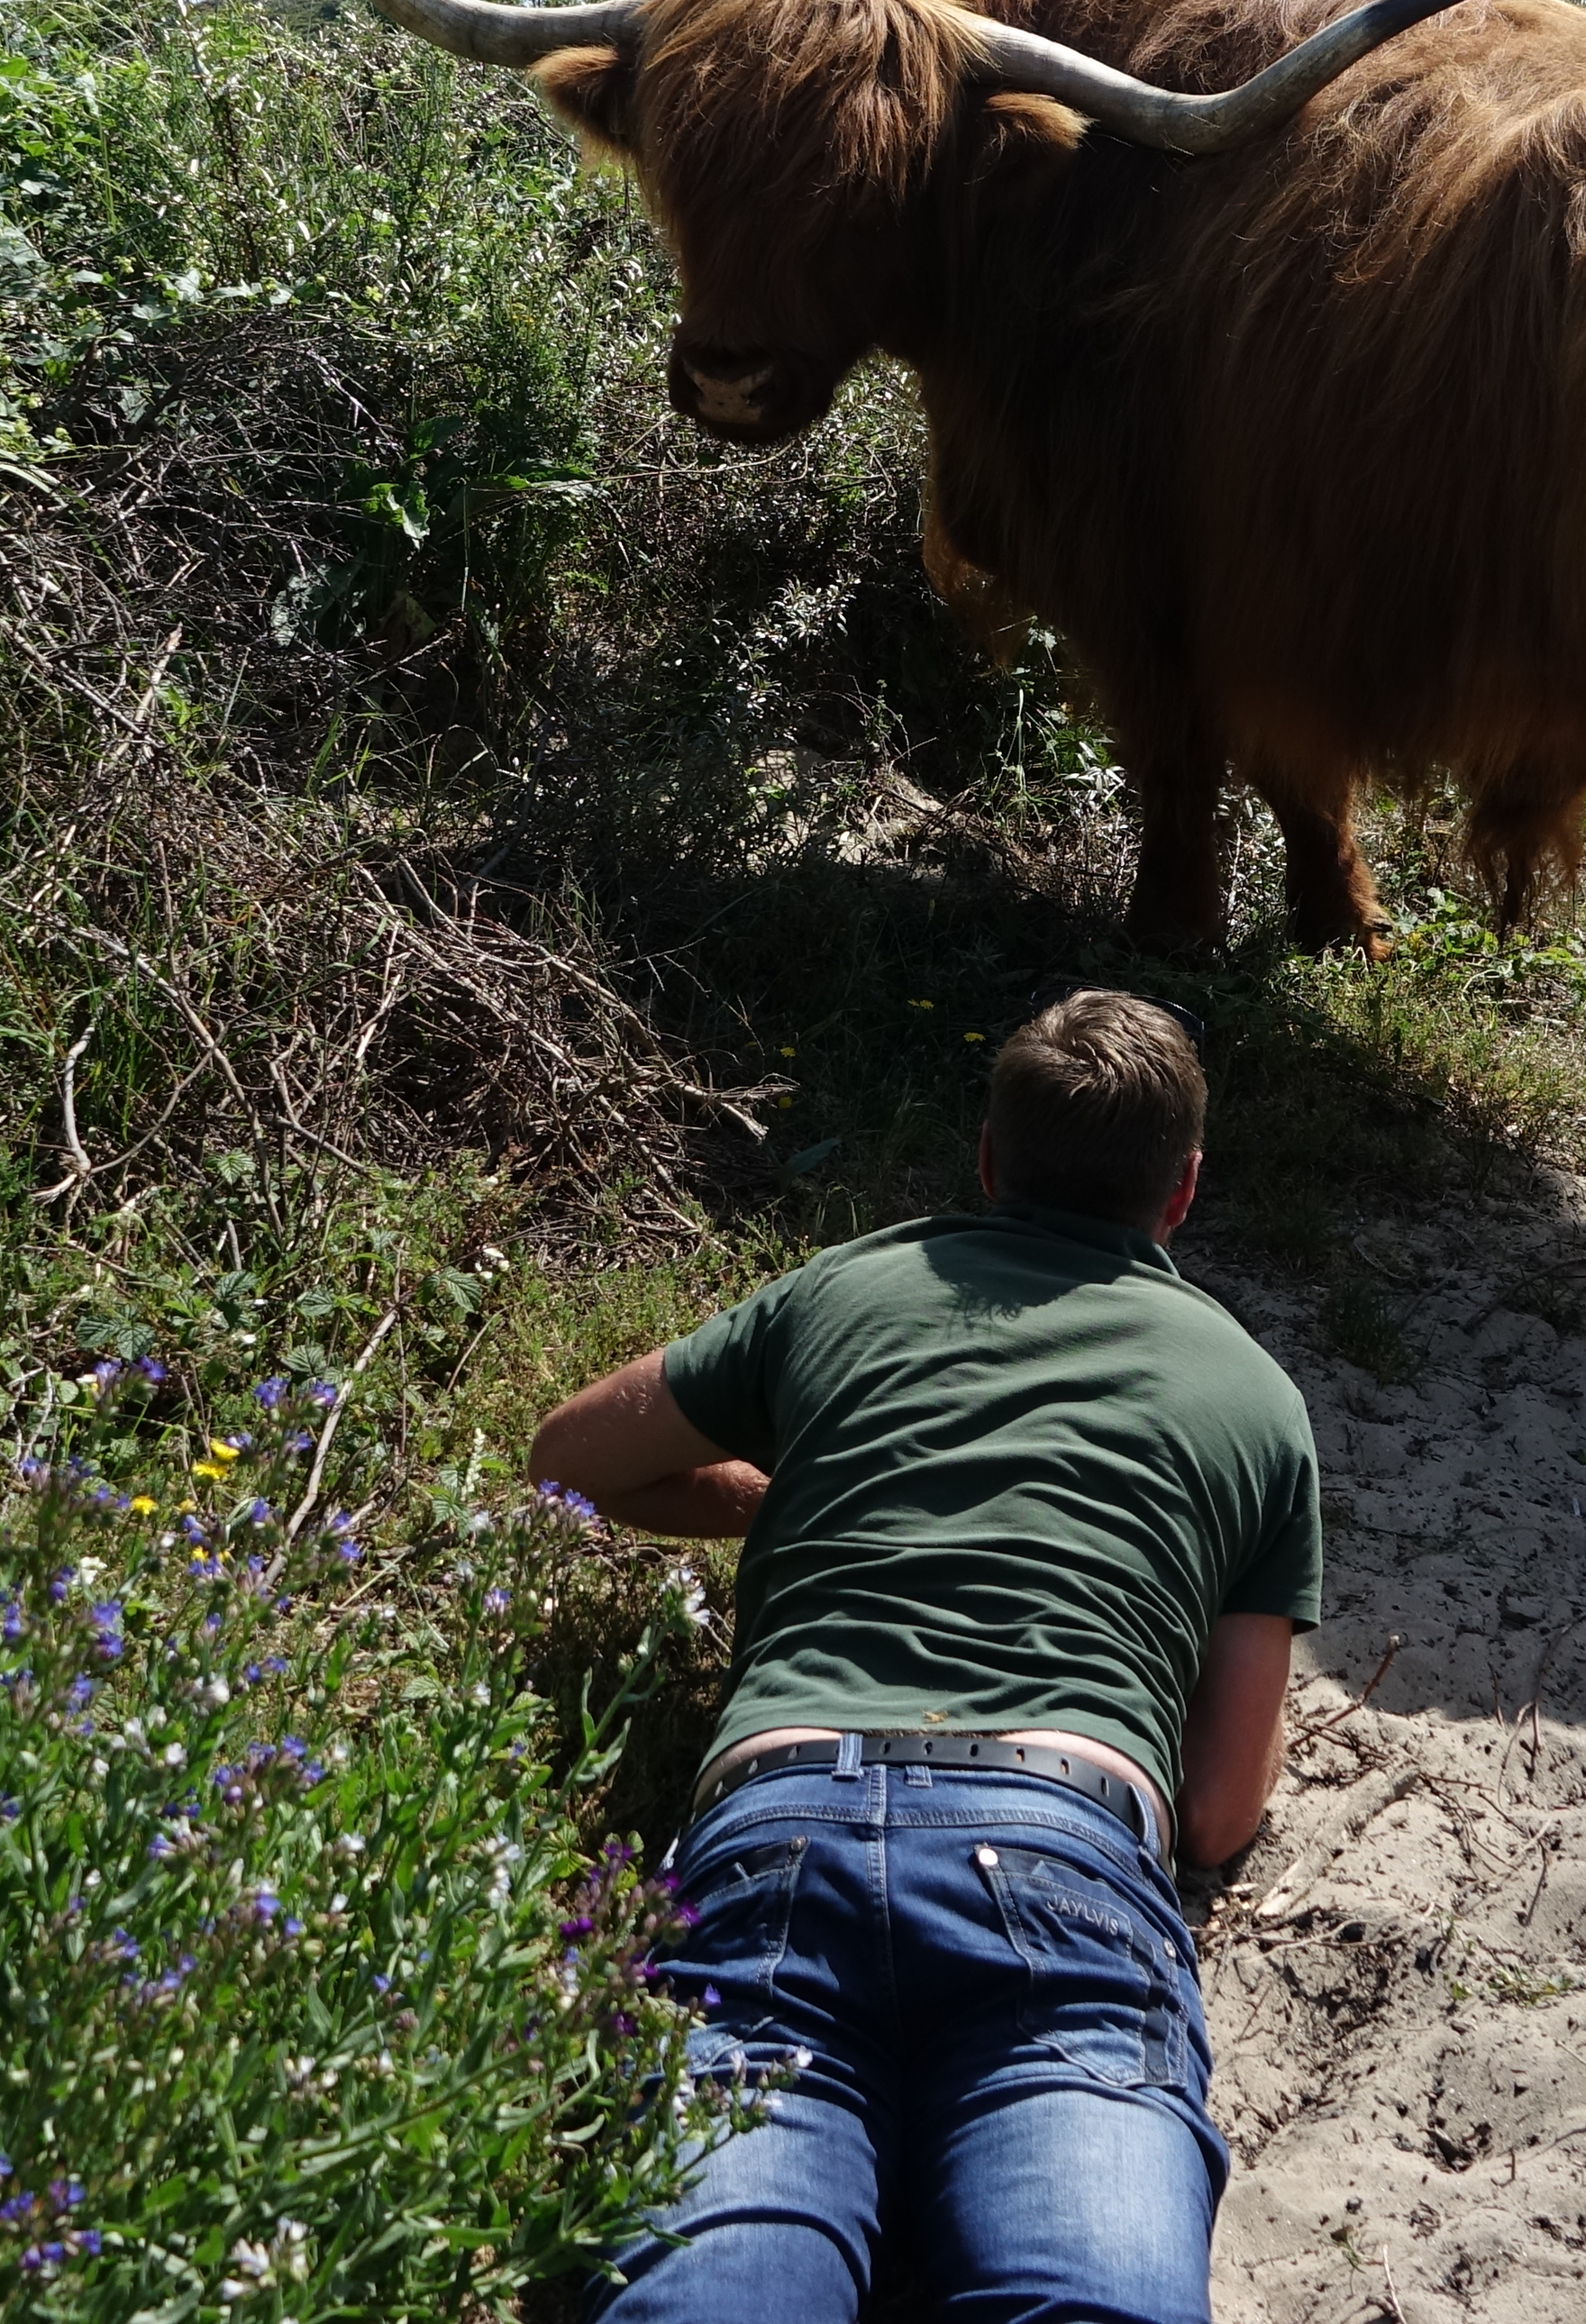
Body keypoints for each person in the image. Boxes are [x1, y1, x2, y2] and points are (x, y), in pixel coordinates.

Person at [532, 989, 1325, 2324]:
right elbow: (1216, 1812)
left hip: (781, 1818)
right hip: (1062, 1838)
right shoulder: (1255, 1395)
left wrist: (779, 1497)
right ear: (1183, 1190)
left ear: (985, 1158)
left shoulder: (844, 1289)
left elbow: (569, 1458)